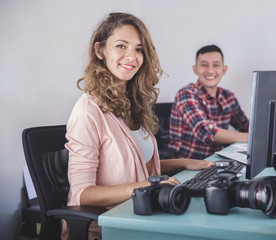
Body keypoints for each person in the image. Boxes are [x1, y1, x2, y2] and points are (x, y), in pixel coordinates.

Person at [64, 13, 214, 239]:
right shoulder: (88, 110)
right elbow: (81, 194)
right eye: (121, 46)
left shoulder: (133, 104)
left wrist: (184, 163)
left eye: (139, 49)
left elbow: (133, 167)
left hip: (141, 215)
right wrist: (147, 186)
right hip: (108, 226)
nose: (131, 56)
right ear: (100, 50)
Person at [169, 45, 249, 160]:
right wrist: (252, 138)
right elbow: (206, 131)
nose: (210, 70)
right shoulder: (186, 94)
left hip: (216, 162)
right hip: (186, 166)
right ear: (195, 69)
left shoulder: (228, 96)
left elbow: (245, 125)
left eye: (216, 65)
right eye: (204, 65)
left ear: (224, 70)